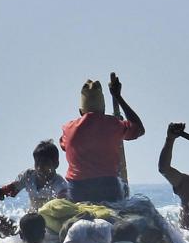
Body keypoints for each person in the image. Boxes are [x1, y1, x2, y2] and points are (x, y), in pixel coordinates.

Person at [60, 73, 144, 203]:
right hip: (108, 187)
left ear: (80, 111)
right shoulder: (114, 124)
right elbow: (139, 129)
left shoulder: (68, 128)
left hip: (78, 190)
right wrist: (118, 97)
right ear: (104, 109)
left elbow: (64, 145)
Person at [0, 140, 69, 242]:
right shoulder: (28, 176)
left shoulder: (60, 185)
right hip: (26, 229)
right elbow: (1, 194)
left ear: (56, 164)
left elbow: (64, 209)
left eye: (45, 163)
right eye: (37, 163)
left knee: (33, 223)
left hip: (46, 234)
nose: (40, 168)